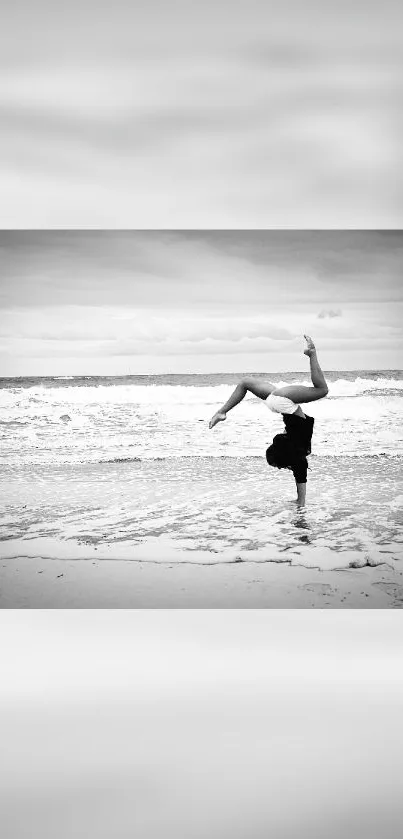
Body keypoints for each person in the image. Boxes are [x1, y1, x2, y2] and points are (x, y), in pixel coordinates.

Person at [208, 335, 328, 506]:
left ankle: (311, 354)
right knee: (245, 383)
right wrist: (300, 502)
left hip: (284, 403)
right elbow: (299, 475)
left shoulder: (300, 453)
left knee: (322, 390)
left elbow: (300, 475)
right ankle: (221, 412)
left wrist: (301, 502)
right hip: (276, 404)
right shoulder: (296, 452)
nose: (281, 468)